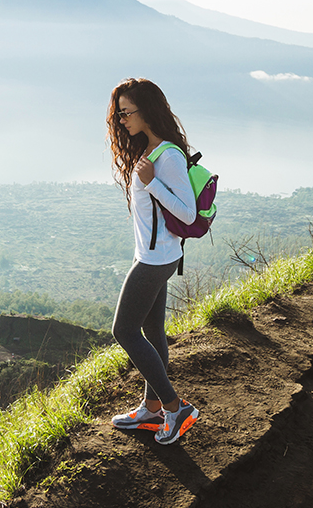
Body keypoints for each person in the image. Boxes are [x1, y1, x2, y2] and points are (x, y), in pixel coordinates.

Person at [106, 77, 200, 445]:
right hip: (155, 255)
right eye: (119, 114)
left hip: (155, 260)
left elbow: (188, 214)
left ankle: (175, 407)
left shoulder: (169, 156)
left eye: (126, 112)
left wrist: (152, 183)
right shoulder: (152, 150)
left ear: (146, 110)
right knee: (152, 331)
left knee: (123, 331)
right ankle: (152, 408)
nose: (122, 120)